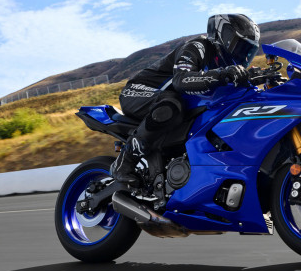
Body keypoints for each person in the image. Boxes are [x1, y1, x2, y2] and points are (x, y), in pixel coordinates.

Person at [111, 14, 261, 185]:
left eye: (249, 52)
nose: (244, 56)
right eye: (241, 48)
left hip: (170, 102)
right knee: (171, 105)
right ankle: (124, 162)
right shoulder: (198, 46)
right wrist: (221, 74)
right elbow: (180, 80)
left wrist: (251, 76)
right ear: (225, 38)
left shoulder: (224, 65)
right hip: (137, 91)